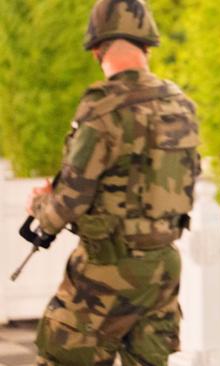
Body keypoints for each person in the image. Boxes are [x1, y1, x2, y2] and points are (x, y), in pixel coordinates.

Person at [25, 0, 200, 364]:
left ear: (95, 49)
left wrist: (41, 205)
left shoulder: (102, 108)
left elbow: (70, 200)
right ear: (148, 45)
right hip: (163, 265)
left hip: (108, 269)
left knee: (60, 355)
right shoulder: (182, 105)